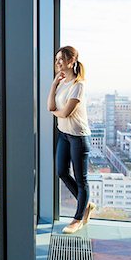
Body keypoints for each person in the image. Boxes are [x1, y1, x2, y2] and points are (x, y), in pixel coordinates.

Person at [47, 46, 96, 234]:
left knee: (81, 180)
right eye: (56, 59)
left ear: (72, 61)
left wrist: (55, 113)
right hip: (64, 135)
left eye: (62, 59)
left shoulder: (78, 85)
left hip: (79, 137)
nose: (58, 62)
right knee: (62, 172)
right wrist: (53, 84)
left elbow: (66, 112)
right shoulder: (61, 84)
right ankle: (86, 205)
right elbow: (50, 105)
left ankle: (78, 219)